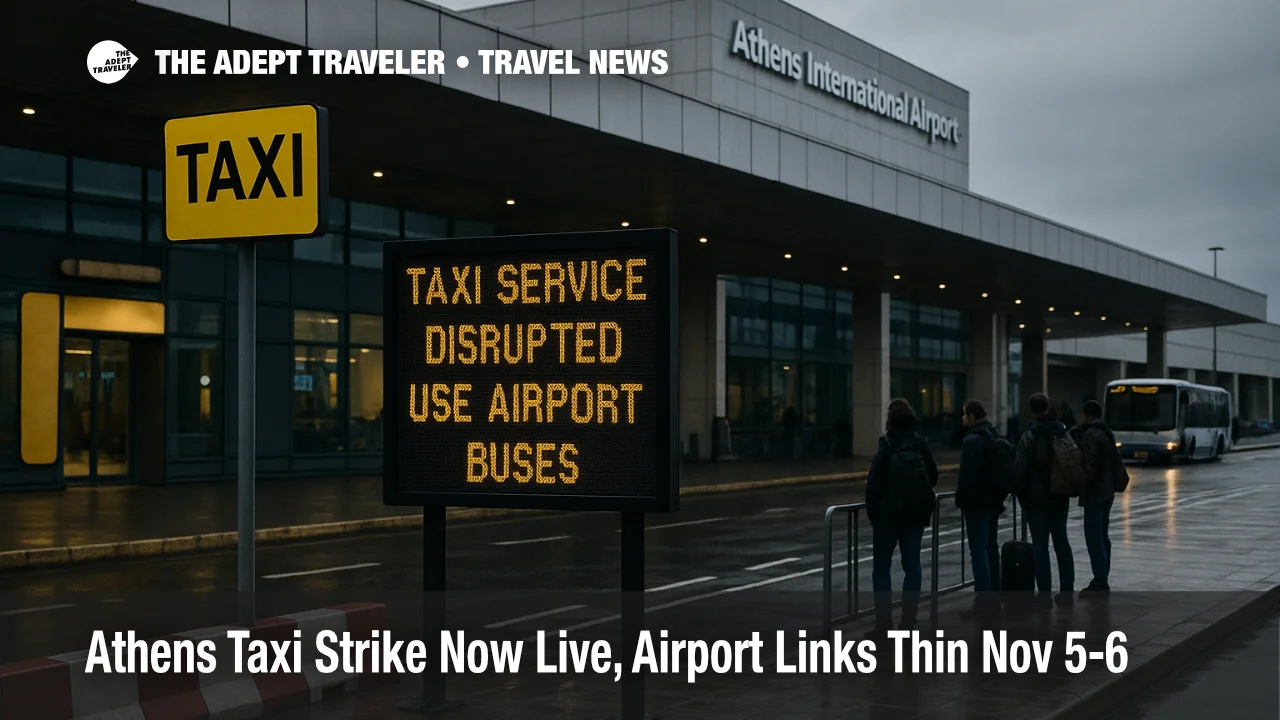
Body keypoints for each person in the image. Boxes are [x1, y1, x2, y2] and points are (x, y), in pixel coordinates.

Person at [865, 398, 939, 635]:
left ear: (891, 420)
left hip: (887, 517)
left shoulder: (886, 443)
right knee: (912, 567)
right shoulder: (919, 443)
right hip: (914, 516)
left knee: (881, 567)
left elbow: (873, 480)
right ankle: (908, 623)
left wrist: (874, 511)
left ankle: (883, 623)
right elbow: (933, 475)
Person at [1014, 393, 1075, 602]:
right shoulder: (1062, 431)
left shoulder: (1029, 435)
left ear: (1032, 410)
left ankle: (1045, 594)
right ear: (1048, 407)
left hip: (1036, 499)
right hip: (1060, 494)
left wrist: (1018, 491)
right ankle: (1067, 590)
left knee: (1040, 546)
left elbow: (1020, 468)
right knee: (1062, 542)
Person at [956, 400, 1007, 615]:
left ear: (972, 416)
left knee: (978, 552)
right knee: (990, 549)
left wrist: (961, 499)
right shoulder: (994, 435)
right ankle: (994, 596)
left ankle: (983, 601)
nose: (962, 418)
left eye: (964, 414)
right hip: (994, 501)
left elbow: (967, 476)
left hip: (977, 503)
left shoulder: (973, 440)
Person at [1075, 400, 1126, 592]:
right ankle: (1103, 575)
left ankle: (1099, 579)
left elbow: (1090, 467)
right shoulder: (1106, 432)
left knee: (1094, 536)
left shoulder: (1091, 435)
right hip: (1108, 491)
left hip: (1095, 493)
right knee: (1103, 535)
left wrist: (1081, 485)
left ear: (1086, 415)